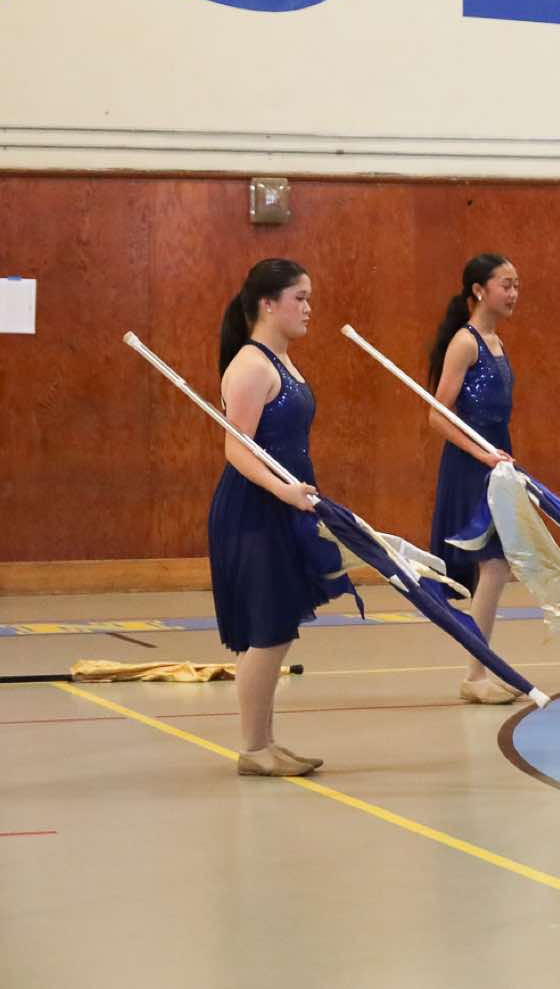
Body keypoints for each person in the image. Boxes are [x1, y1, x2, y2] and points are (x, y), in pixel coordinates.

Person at [210, 258, 329, 778]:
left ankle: (266, 742)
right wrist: (284, 490)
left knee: (278, 628)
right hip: (254, 509)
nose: (308, 308)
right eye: (299, 298)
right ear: (267, 303)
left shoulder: (281, 361)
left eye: (308, 298)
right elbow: (236, 449)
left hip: (283, 505)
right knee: (269, 630)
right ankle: (254, 748)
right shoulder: (252, 366)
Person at [425, 254, 521, 704]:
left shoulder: (496, 341)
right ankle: (475, 674)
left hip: (496, 464)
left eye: (516, 285)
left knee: (497, 567)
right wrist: (481, 454)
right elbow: (437, 415)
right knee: (494, 565)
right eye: (506, 284)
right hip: (470, 468)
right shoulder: (465, 343)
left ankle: (480, 669)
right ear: (479, 291)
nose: (514, 293)